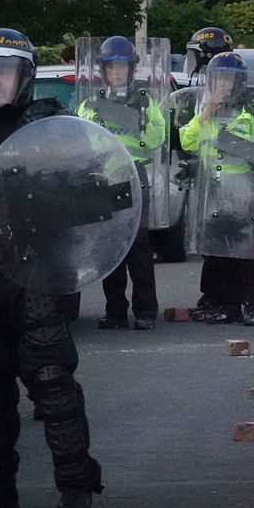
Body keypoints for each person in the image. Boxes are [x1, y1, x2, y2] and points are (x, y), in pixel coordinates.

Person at [0, 28, 102, 508]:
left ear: (25, 78)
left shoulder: (51, 128)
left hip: (33, 272)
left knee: (52, 380)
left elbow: (92, 191)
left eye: (4, 73)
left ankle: (75, 485)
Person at [76, 37, 168, 331]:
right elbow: (83, 141)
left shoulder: (144, 101)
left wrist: (139, 121)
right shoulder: (91, 103)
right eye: (112, 68)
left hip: (134, 177)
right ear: (104, 71)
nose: (117, 73)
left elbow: (157, 139)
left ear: (131, 70)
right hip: (105, 178)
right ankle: (115, 311)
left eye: (122, 68)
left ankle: (145, 311)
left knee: (139, 246)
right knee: (109, 246)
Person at [179, 52, 254, 326]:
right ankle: (218, 301)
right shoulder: (203, 112)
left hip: (243, 191)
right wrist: (204, 117)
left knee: (245, 251)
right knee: (215, 250)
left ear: (238, 82)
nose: (222, 84)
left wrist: (233, 143)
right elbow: (187, 142)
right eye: (218, 79)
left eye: (228, 79)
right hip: (214, 189)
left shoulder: (253, 114)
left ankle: (250, 303)